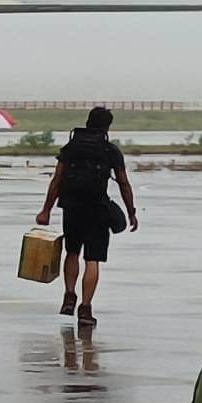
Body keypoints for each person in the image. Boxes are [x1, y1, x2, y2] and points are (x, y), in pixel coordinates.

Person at [35, 106, 137, 326]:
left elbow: (57, 181)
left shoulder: (70, 148)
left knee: (72, 253)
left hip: (72, 207)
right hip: (98, 208)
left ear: (88, 122)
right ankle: (85, 308)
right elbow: (124, 184)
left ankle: (69, 295)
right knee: (93, 260)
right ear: (107, 126)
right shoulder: (110, 151)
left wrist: (46, 210)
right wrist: (131, 212)